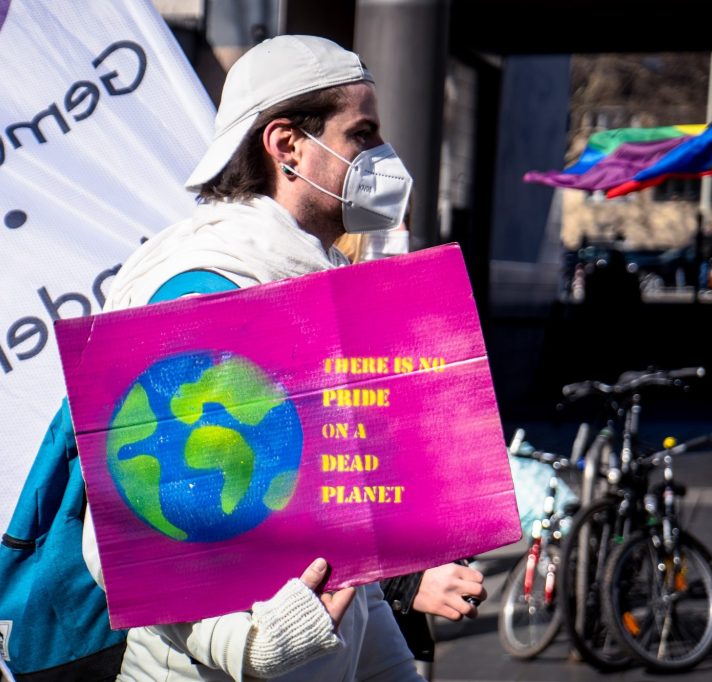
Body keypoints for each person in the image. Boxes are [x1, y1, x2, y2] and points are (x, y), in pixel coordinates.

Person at [83, 35, 439, 681]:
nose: (382, 158)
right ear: (287, 146)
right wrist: (247, 644)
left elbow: (337, 500)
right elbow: (135, 524)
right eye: (361, 134)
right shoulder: (201, 289)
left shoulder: (306, 277)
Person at [336, 211, 488, 680]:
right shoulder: (320, 333)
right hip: (332, 629)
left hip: (404, 626)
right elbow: (311, 509)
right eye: (385, 219)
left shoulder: (401, 328)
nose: (400, 233)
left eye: (405, 216)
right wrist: (405, 582)